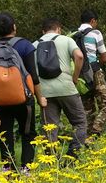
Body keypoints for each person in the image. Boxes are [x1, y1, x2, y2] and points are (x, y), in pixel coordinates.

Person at [0, 12, 44, 170]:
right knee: (28, 133)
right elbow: (33, 75)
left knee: (4, 135)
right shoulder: (25, 45)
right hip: (24, 100)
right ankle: (27, 168)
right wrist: (40, 98)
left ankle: (8, 170)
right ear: (13, 27)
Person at [35, 18, 87, 157]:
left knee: (49, 129)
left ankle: (53, 162)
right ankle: (72, 157)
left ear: (43, 31)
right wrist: (75, 77)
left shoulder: (34, 45)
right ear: (58, 29)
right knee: (80, 122)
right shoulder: (66, 40)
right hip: (66, 88)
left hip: (44, 92)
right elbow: (79, 56)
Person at [76, 10, 106, 137]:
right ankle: (95, 133)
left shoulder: (73, 35)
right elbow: (104, 57)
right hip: (94, 72)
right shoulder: (95, 33)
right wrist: (98, 68)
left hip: (79, 76)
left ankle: (85, 138)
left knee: (87, 109)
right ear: (93, 21)